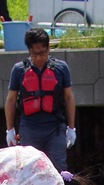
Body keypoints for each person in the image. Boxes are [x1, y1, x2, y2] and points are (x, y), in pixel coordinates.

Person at [5, 28, 76, 170]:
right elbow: (11, 100)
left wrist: (71, 128)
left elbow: (68, 98)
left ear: (49, 48)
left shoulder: (61, 68)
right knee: (29, 168)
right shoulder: (19, 70)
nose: (38, 57)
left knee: (58, 167)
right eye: (34, 53)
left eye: (42, 52)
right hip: (29, 127)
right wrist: (9, 130)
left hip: (55, 128)